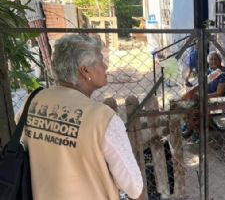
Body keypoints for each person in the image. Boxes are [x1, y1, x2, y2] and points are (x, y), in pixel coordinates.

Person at [16, 34, 144, 200]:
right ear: (85, 71)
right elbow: (133, 186)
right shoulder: (102, 118)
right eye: (100, 61)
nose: (105, 66)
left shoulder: (31, 102)